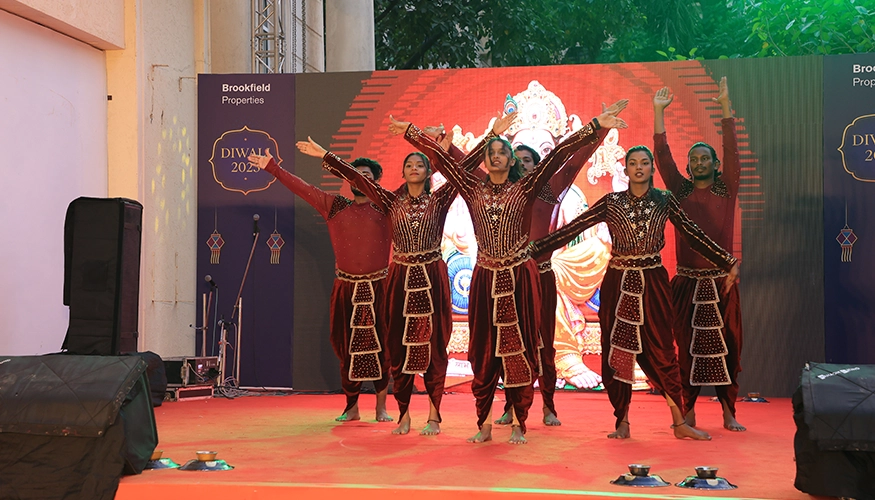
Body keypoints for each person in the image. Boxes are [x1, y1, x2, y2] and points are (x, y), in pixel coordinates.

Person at [390, 104, 627, 444]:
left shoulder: (527, 188)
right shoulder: (473, 189)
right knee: (484, 351)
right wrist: (412, 132)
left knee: (519, 349)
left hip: (520, 277)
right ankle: (484, 424)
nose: (498, 156)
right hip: (486, 277)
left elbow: (562, 153)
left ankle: (519, 421)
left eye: (504, 152)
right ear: (485, 160)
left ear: (512, 161)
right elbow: (447, 163)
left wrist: (595, 127)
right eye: (493, 152)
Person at [296, 114, 516, 436]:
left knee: (434, 346)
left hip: (432, 278)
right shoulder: (389, 200)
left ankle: (434, 415)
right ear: (402, 173)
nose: (414, 168)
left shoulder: (440, 198)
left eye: (421, 165)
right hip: (399, 279)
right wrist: (326, 157)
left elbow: (462, 166)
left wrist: (491, 135)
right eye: (409, 164)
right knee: (398, 346)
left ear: (429, 172)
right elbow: (361, 180)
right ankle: (403, 415)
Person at [530, 145, 739, 440]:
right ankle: (622, 422)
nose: (639, 167)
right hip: (618, 282)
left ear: (653, 169)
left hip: (652, 283)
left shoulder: (664, 200)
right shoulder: (611, 202)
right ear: (625, 170)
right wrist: (533, 249)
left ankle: (679, 422)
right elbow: (573, 228)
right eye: (633, 163)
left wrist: (727, 261)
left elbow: (693, 234)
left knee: (662, 350)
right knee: (617, 352)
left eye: (644, 163)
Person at [494, 102, 625, 427]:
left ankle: (548, 405)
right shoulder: (502, 195)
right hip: (508, 278)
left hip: (543, 275)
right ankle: (510, 405)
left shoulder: (550, 192)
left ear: (539, 166)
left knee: (544, 342)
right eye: (518, 160)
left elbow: (575, 160)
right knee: (510, 343)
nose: (523, 165)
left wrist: (600, 129)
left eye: (529, 161)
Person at [248, 148, 392, 423]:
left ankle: (381, 408)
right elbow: (303, 189)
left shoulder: (386, 206)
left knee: (382, 347)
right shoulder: (335, 206)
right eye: (356, 175)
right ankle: (352, 408)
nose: (360, 179)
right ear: (349, 181)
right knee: (346, 346)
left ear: (377, 181)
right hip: (346, 288)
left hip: (380, 288)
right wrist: (273, 168)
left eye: (367, 176)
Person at [653, 77, 745, 431]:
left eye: (706, 157)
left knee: (730, 347)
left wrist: (724, 107)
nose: (700, 162)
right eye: (694, 159)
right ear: (689, 167)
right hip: (686, 284)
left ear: (716, 164)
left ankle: (728, 412)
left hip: (722, 282)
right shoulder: (679, 190)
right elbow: (662, 157)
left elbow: (734, 150)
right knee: (687, 348)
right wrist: (659, 113)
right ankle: (687, 411)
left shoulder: (727, 188)